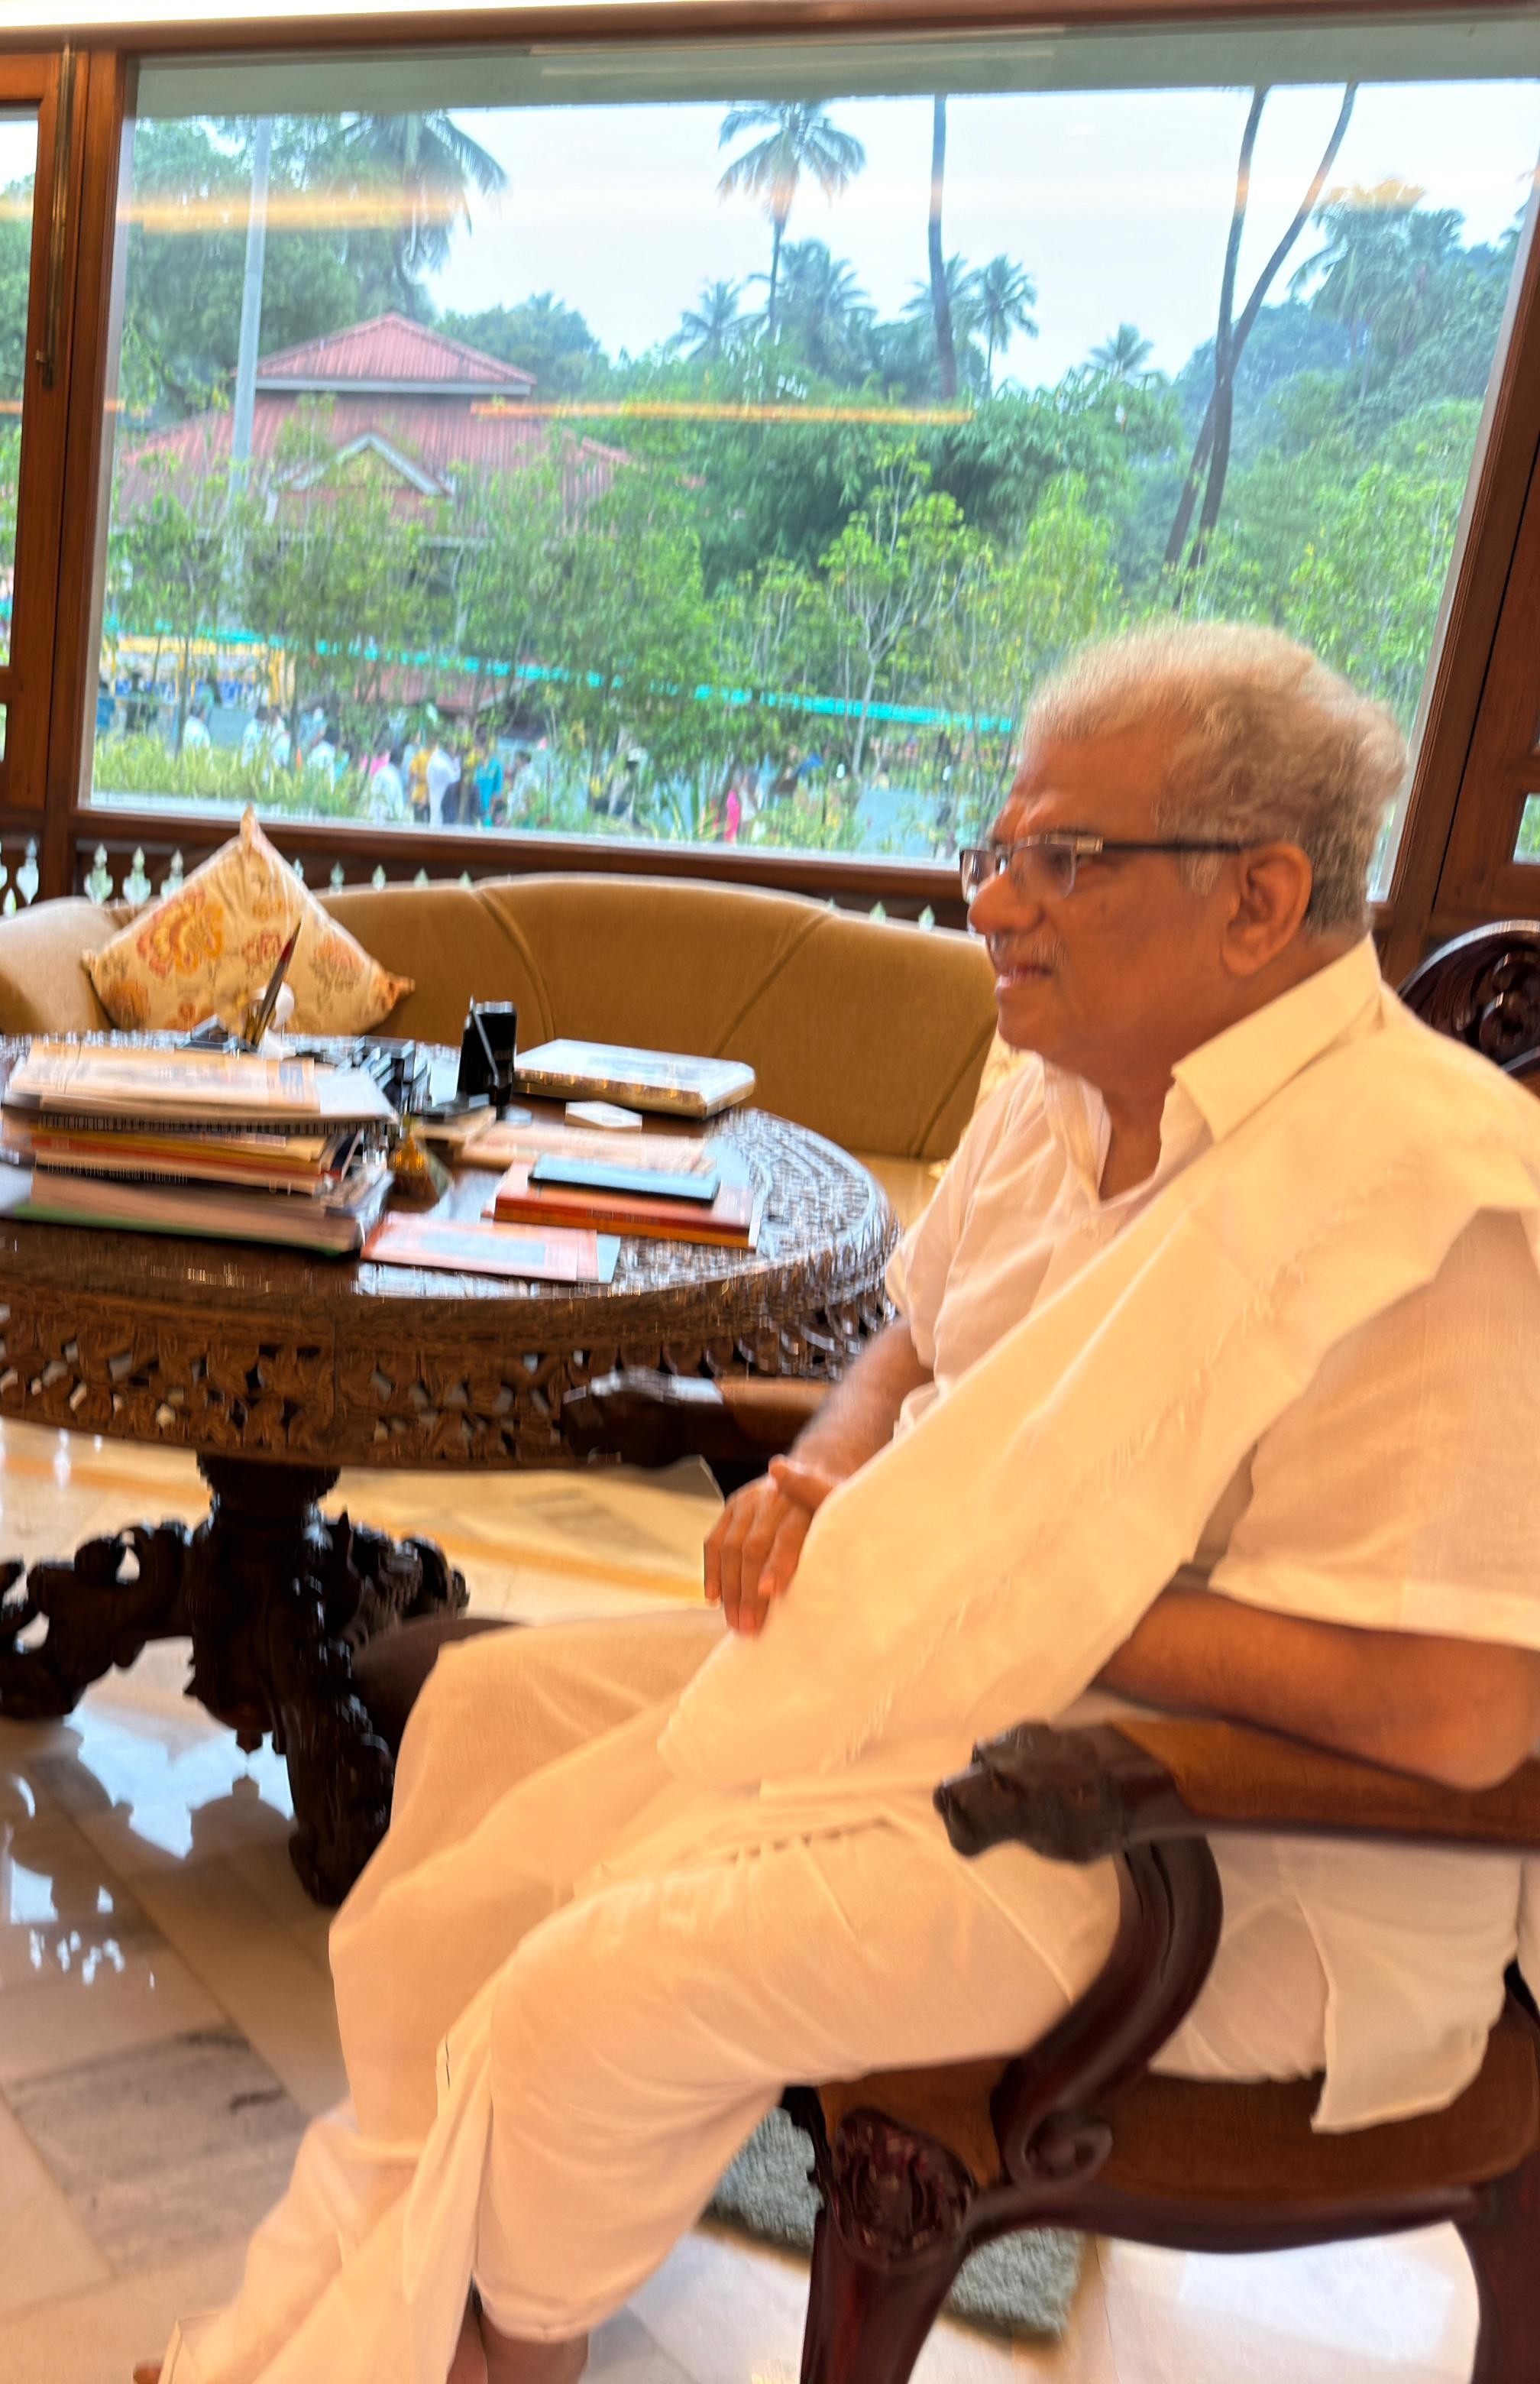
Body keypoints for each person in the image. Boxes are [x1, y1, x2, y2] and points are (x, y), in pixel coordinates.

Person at [149, 622, 1540, 2384]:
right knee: (489, 1720)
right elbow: (914, 1337)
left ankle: (491, 2339)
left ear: (1258, 902)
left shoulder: (1435, 1196)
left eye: (1063, 860)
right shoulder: (1061, 1085)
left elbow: (1459, 1709)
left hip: (1222, 1862)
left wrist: (1029, 1582)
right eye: (998, 851)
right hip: (962, 1687)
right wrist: (823, 1476)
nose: (990, 905)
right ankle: (410, 2299)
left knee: (605, 1977)